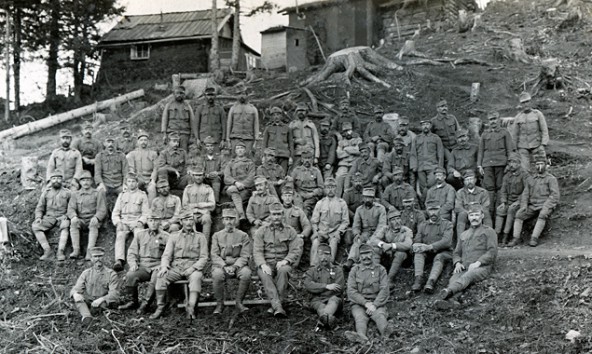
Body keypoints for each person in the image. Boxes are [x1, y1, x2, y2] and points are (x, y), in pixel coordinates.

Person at [434, 204, 497, 309]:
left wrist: (478, 262)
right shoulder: (464, 234)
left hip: (482, 267)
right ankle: (452, 302)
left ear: (482, 216)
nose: (474, 218)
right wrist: (457, 262)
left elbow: (492, 251)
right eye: (472, 215)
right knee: (454, 279)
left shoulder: (489, 231)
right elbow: (456, 252)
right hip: (464, 266)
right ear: (468, 217)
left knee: (468, 276)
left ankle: (447, 292)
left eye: (477, 215)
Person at [152, 208, 209, 319]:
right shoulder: (173, 236)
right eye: (186, 220)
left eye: (191, 220)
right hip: (176, 267)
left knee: (196, 277)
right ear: (181, 222)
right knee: (161, 276)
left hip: (192, 267)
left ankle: (191, 307)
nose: (189, 223)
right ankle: (160, 307)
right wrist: (164, 266)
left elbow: (204, 257)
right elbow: (166, 255)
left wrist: (192, 268)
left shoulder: (200, 237)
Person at [253, 202, 303, 317]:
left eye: (279, 214)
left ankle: (275, 306)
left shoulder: (290, 231)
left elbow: (295, 250)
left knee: (284, 270)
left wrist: (286, 260)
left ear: (283, 215)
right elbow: (257, 251)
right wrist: (262, 264)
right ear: (270, 215)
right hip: (267, 263)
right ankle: (278, 306)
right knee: (265, 275)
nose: (276, 217)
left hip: (282, 262)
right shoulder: (261, 231)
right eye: (274, 214)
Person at [119, 212, 170, 312]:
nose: (153, 223)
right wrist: (133, 264)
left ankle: (145, 304)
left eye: (156, 220)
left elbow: (169, 255)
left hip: (158, 265)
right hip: (144, 266)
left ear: (160, 221)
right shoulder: (140, 235)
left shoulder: (166, 236)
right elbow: (132, 252)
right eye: (151, 220)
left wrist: (163, 265)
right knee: (130, 275)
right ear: (147, 222)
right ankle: (132, 301)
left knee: (157, 276)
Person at [508, 154, 560, 247]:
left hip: (544, 204)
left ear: (545, 165)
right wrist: (524, 206)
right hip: (532, 205)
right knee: (519, 215)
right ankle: (516, 238)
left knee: (542, 215)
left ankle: (534, 238)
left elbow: (554, 195)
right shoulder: (531, 179)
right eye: (537, 164)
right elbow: (525, 194)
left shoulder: (551, 179)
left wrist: (546, 206)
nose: (539, 166)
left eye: (541, 164)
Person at [345, 244, 390, 343]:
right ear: (359, 256)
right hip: (359, 304)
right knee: (360, 318)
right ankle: (361, 337)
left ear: (373, 254)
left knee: (380, 316)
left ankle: (387, 335)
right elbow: (351, 291)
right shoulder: (354, 270)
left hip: (376, 302)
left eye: (368, 253)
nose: (366, 257)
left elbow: (384, 289)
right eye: (363, 254)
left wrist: (375, 304)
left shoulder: (380, 269)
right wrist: (365, 303)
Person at [210, 208, 252, 314]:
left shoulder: (243, 235)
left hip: (238, 265)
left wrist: (235, 266)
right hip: (221, 265)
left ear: (236, 220)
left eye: (232, 219)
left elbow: (245, 255)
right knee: (217, 274)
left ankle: (239, 303)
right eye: (227, 219)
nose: (229, 222)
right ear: (223, 221)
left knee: (246, 273)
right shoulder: (216, 236)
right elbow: (214, 255)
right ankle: (220, 304)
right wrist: (224, 266)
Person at [477, 111, 515, 217]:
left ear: (499, 120)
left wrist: (509, 163)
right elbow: (480, 151)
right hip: (487, 164)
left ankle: (499, 214)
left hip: (501, 164)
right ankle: (489, 215)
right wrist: (479, 165)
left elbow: (510, 150)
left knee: (500, 188)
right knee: (489, 188)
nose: (493, 121)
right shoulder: (484, 134)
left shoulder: (504, 132)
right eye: (490, 119)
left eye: (494, 119)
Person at [412, 200, 453, 293]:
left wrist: (429, 246)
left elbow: (447, 242)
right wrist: (416, 245)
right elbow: (418, 239)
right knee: (418, 252)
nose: (433, 213)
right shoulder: (423, 225)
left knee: (439, 257)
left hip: (444, 252)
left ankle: (431, 281)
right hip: (428, 253)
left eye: (436, 209)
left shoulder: (447, 224)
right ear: (426, 210)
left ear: (440, 210)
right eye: (431, 210)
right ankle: (418, 279)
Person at [111, 172, 150, 272]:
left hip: (136, 221)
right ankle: (119, 260)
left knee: (139, 235)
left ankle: (139, 259)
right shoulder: (122, 195)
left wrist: (141, 222)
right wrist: (118, 222)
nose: (131, 183)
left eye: (133, 181)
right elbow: (115, 212)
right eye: (129, 181)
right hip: (124, 221)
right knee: (120, 235)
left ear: (137, 183)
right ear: (126, 183)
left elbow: (146, 213)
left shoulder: (142, 195)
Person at [70, 247, 119, 324]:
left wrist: (102, 299)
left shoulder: (111, 274)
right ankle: (87, 317)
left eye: (100, 256)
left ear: (104, 258)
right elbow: (76, 288)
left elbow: (114, 293)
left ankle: (90, 315)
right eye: (95, 257)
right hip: (90, 301)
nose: (98, 259)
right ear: (91, 259)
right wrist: (75, 294)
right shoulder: (86, 273)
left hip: (103, 302)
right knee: (77, 299)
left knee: (102, 306)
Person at [303, 243, 345, 329]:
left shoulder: (338, 270)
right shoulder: (312, 271)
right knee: (319, 305)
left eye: (327, 254)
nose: (324, 257)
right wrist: (326, 286)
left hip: (334, 299)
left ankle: (322, 321)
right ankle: (328, 320)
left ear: (330, 256)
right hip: (317, 300)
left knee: (334, 300)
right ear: (317, 256)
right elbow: (308, 285)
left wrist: (316, 287)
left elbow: (339, 288)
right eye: (321, 254)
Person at [67, 170, 107, 260]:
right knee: (73, 224)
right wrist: (73, 216)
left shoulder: (97, 193)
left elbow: (102, 209)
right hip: (80, 219)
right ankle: (76, 250)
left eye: (88, 180)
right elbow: (71, 208)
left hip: (92, 219)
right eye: (83, 180)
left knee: (93, 225)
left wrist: (97, 217)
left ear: (92, 181)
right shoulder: (75, 194)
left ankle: (89, 251)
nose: (85, 182)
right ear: (80, 182)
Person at [32, 172, 71, 261]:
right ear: (51, 180)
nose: (56, 180)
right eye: (54, 178)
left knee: (65, 225)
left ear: (62, 180)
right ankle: (47, 251)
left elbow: (72, 207)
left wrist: (67, 215)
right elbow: (40, 207)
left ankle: (60, 251)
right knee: (35, 226)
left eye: (58, 178)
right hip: (49, 218)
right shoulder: (46, 193)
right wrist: (38, 217)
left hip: (62, 217)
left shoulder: (68, 193)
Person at [310, 177, 349, 265]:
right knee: (315, 242)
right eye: (328, 187)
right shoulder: (320, 203)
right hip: (321, 231)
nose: (330, 190)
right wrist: (316, 231)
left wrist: (338, 232)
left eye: (332, 187)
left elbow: (345, 221)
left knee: (334, 242)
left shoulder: (342, 203)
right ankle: (313, 267)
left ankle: (329, 265)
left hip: (334, 232)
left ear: (336, 188)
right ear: (324, 189)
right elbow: (314, 221)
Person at [345, 188, 387, 268]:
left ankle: (362, 263)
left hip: (378, 233)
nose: (368, 200)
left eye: (370, 197)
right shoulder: (359, 209)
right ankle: (350, 260)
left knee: (370, 244)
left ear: (373, 198)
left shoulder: (380, 208)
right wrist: (357, 234)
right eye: (366, 197)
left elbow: (382, 225)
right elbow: (356, 225)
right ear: (363, 198)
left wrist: (374, 237)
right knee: (358, 241)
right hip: (365, 233)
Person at [370, 209, 413, 285]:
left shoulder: (406, 231)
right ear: (389, 222)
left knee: (401, 253)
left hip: (403, 260)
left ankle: (390, 279)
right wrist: (383, 245)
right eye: (393, 220)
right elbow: (373, 239)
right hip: (388, 257)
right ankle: (374, 277)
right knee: (376, 249)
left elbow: (408, 244)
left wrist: (391, 246)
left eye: (398, 218)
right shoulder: (385, 229)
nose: (397, 222)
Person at [509, 92, 549, 172]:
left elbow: (544, 130)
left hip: (536, 145)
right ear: (521, 104)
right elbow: (514, 135)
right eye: (523, 103)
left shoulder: (537, 114)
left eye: (527, 102)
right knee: (524, 170)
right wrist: (514, 148)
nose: (525, 104)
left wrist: (543, 144)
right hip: (523, 146)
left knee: (541, 168)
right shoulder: (518, 117)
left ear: (530, 102)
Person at [495, 153, 528, 245]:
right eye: (510, 162)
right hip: (509, 201)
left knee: (511, 210)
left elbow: (527, 190)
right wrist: (503, 202)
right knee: (500, 210)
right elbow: (503, 190)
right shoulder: (507, 176)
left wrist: (519, 201)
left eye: (514, 162)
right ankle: (497, 235)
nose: (511, 165)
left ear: (519, 163)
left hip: (519, 201)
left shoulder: (524, 175)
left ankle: (506, 237)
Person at [410, 119, 444, 202]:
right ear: (421, 126)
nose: (425, 126)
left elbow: (440, 154)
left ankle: (432, 202)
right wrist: (414, 166)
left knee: (430, 185)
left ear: (430, 126)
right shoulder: (416, 139)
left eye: (427, 124)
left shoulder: (436, 138)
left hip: (433, 166)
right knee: (422, 188)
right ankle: (425, 206)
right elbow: (413, 153)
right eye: (423, 124)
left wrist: (440, 168)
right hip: (421, 167)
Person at [223, 141, 256, 220]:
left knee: (237, 197)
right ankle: (241, 214)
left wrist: (243, 185)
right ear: (235, 151)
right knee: (233, 189)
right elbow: (226, 177)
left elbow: (251, 177)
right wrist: (236, 183)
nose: (240, 150)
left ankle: (239, 218)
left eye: (242, 148)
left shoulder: (250, 163)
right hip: (232, 186)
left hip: (245, 188)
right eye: (238, 148)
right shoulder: (231, 163)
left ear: (245, 151)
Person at [280, 186, 312, 267]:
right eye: (285, 195)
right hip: (280, 236)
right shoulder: (277, 210)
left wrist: (302, 235)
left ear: (293, 197)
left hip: (294, 237)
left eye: (289, 195)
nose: (287, 198)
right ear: (282, 197)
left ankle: (293, 267)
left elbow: (307, 225)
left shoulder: (298, 211)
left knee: (299, 241)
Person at [182, 165, 216, 240]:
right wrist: (199, 207)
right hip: (191, 214)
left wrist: (196, 206)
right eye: (196, 175)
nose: (198, 177)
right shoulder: (188, 189)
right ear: (192, 176)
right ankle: (192, 245)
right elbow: (185, 205)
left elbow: (212, 205)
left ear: (203, 176)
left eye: (200, 175)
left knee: (207, 218)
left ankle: (205, 245)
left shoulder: (208, 188)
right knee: (190, 219)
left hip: (204, 214)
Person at [455, 169, 492, 236]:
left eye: (471, 179)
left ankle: (489, 237)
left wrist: (477, 213)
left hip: (479, 213)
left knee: (486, 213)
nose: (469, 181)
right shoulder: (460, 192)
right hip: (466, 213)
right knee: (461, 215)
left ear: (475, 180)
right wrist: (469, 213)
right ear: (464, 182)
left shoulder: (483, 192)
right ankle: (460, 241)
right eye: (467, 180)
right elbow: (458, 207)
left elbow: (486, 206)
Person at [290, 149, 324, 216]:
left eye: (309, 158)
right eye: (305, 158)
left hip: (312, 196)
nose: (307, 160)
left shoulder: (316, 171)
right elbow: (290, 184)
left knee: (306, 206)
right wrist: (296, 194)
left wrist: (312, 194)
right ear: (302, 159)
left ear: (312, 159)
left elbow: (321, 188)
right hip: (299, 195)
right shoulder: (296, 170)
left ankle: (304, 224)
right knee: (298, 207)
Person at [126, 129, 158, 203]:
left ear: (148, 142)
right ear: (138, 142)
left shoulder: (153, 154)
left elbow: (155, 168)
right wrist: (135, 180)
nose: (143, 142)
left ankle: (150, 211)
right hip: (138, 178)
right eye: (141, 140)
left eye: (145, 140)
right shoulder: (132, 154)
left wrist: (153, 180)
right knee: (132, 188)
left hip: (149, 179)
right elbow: (131, 169)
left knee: (152, 189)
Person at [161, 85, 195, 151]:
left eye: (181, 93)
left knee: (183, 153)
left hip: (184, 134)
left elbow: (192, 121)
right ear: (174, 94)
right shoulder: (169, 105)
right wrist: (164, 134)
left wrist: (192, 136)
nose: (179, 95)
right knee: (171, 153)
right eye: (177, 93)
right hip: (172, 133)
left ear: (184, 94)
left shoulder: (187, 106)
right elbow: (164, 120)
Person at [95, 133, 128, 199]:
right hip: (106, 184)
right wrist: (101, 184)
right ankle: (102, 209)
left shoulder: (121, 155)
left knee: (127, 193)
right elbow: (97, 173)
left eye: (112, 142)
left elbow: (125, 171)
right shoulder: (99, 156)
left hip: (118, 184)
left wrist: (125, 184)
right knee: (100, 192)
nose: (110, 144)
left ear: (115, 143)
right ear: (104, 143)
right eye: (108, 142)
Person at [262, 106, 293, 172]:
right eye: (273, 115)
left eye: (278, 114)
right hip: (272, 156)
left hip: (284, 156)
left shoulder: (287, 128)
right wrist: (263, 156)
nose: (276, 117)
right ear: (271, 117)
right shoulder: (268, 128)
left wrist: (291, 157)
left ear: (281, 116)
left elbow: (291, 144)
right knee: (272, 173)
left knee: (282, 174)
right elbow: (264, 143)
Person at [335, 122, 362, 197]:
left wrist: (346, 149)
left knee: (353, 180)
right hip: (343, 164)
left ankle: (348, 199)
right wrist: (351, 151)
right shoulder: (341, 142)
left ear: (352, 130)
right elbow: (339, 154)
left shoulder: (358, 140)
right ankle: (337, 198)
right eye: (345, 131)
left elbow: (358, 150)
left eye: (349, 130)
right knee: (339, 177)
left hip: (354, 164)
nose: (347, 133)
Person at [289, 103, 320, 169]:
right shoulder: (292, 125)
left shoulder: (311, 124)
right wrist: (296, 141)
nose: (301, 112)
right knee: (294, 172)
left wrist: (316, 157)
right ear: (296, 112)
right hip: (297, 153)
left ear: (306, 112)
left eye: (303, 111)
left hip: (309, 153)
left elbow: (316, 141)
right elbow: (289, 140)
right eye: (299, 111)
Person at [198, 136, 225, 202]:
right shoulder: (202, 158)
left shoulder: (220, 158)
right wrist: (206, 175)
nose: (210, 148)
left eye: (211, 146)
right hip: (205, 179)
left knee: (216, 180)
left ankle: (216, 203)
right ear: (205, 147)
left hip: (216, 180)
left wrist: (217, 173)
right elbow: (199, 170)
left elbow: (224, 170)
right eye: (208, 146)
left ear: (214, 147)